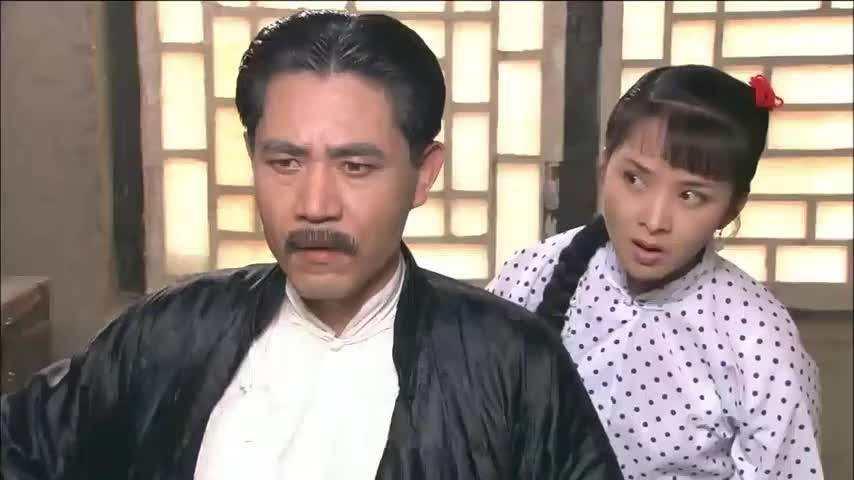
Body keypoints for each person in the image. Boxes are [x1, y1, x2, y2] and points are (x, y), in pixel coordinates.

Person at [0, 10, 622, 480]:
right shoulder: (168, 332)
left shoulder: (513, 365)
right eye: (285, 162)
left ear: (423, 174)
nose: (315, 203)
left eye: (356, 166)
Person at [488, 65, 823, 479]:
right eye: (634, 179)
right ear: (604, 166)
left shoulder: (758, 339)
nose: (654, 219)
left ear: (731, 208)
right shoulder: (530, 273)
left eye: (690, 195)